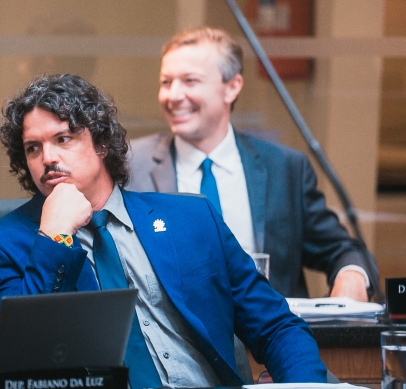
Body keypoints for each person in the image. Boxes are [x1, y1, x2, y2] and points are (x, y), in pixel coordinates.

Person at [0, 73, 326, 388]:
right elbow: (21, 361)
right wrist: (54, 238)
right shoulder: (1, 243)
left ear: (101, 143)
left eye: (63, 139)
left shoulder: (193, 218)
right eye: (33, 148)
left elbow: (276, 326)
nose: (47, 157)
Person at [127, 27, 377, 300]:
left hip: (268, 326)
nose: (173, 95)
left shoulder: (283, 168)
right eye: (166, 82)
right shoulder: (130, 164)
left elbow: (341, 249)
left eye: (190, 81)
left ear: (232, 87)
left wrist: (351, 274)